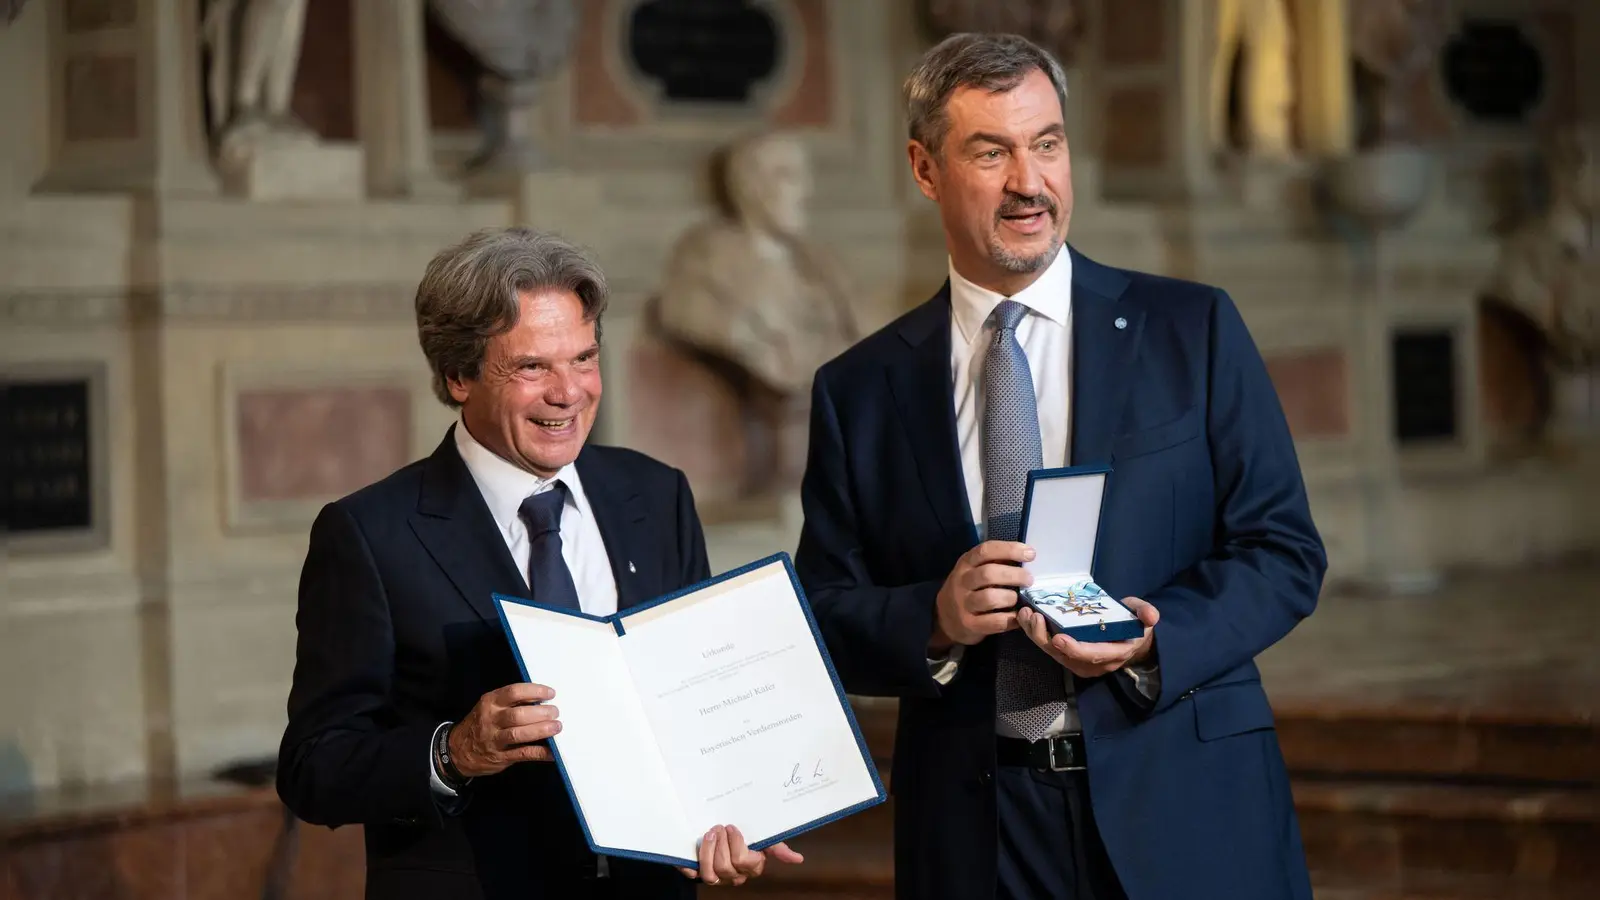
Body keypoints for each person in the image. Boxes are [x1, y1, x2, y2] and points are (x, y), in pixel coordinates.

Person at [794, 33, 1327, 900]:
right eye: (991, 151)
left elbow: (1284, 551)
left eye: (1047, 144)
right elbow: (826, 609)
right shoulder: (859, 389)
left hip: (1185, 802)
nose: (1029, 183)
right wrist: (933, 617)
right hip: (980, 833)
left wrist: (1156, 640)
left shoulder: (1192, 330)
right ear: (924, 169)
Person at [277, 227, 802, 899]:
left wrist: (736, 812)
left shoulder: (655, 493)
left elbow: (699, 702)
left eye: (584, 358)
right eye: (532, 367)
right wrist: (452, 751)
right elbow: (313, 768)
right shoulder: (370, 534)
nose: (570, 392)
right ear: (458, 376)